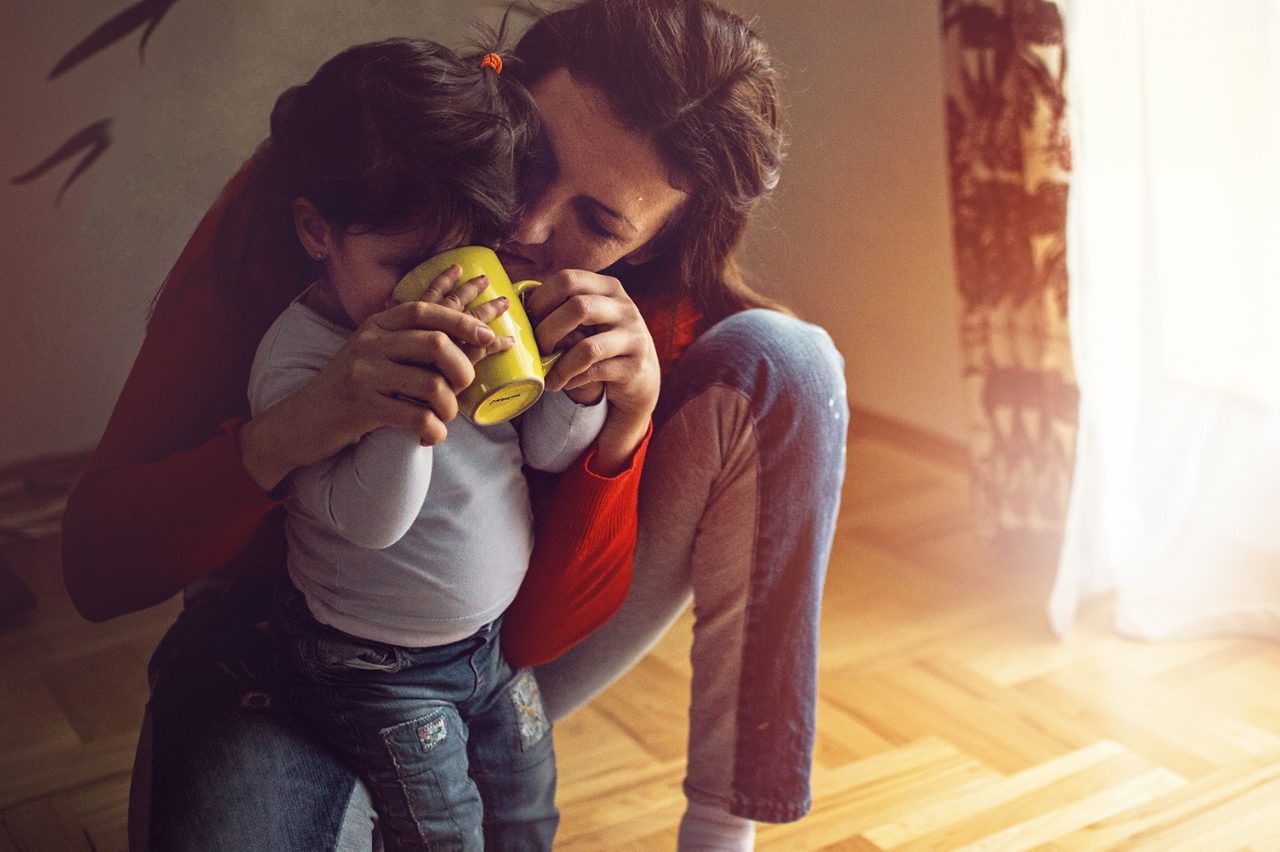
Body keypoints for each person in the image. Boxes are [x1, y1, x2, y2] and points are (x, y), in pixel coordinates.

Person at [62, 0, 848, 849]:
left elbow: (536, 633)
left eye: (599, 220)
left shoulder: (631, 308)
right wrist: (293, 432)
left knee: (791, 362)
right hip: (278, 662)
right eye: (532, 156)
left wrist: (623, 429)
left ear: (646, 247)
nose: (528, 225)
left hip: (483, 657)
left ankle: (721, 832)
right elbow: (99, 567)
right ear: (493, 87)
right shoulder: (345, 189)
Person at [242, 38, 615, 849]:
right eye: (409, 265)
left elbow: (546, 449)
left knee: (527, 807)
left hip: (493, 645)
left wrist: (578, 384)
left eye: (464, 255)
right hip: (375, 670)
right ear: (318, 231)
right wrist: (406, 408)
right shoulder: (302, 358)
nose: (443, 291)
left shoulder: (493, 309)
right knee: (443, 832)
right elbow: (368, 520)